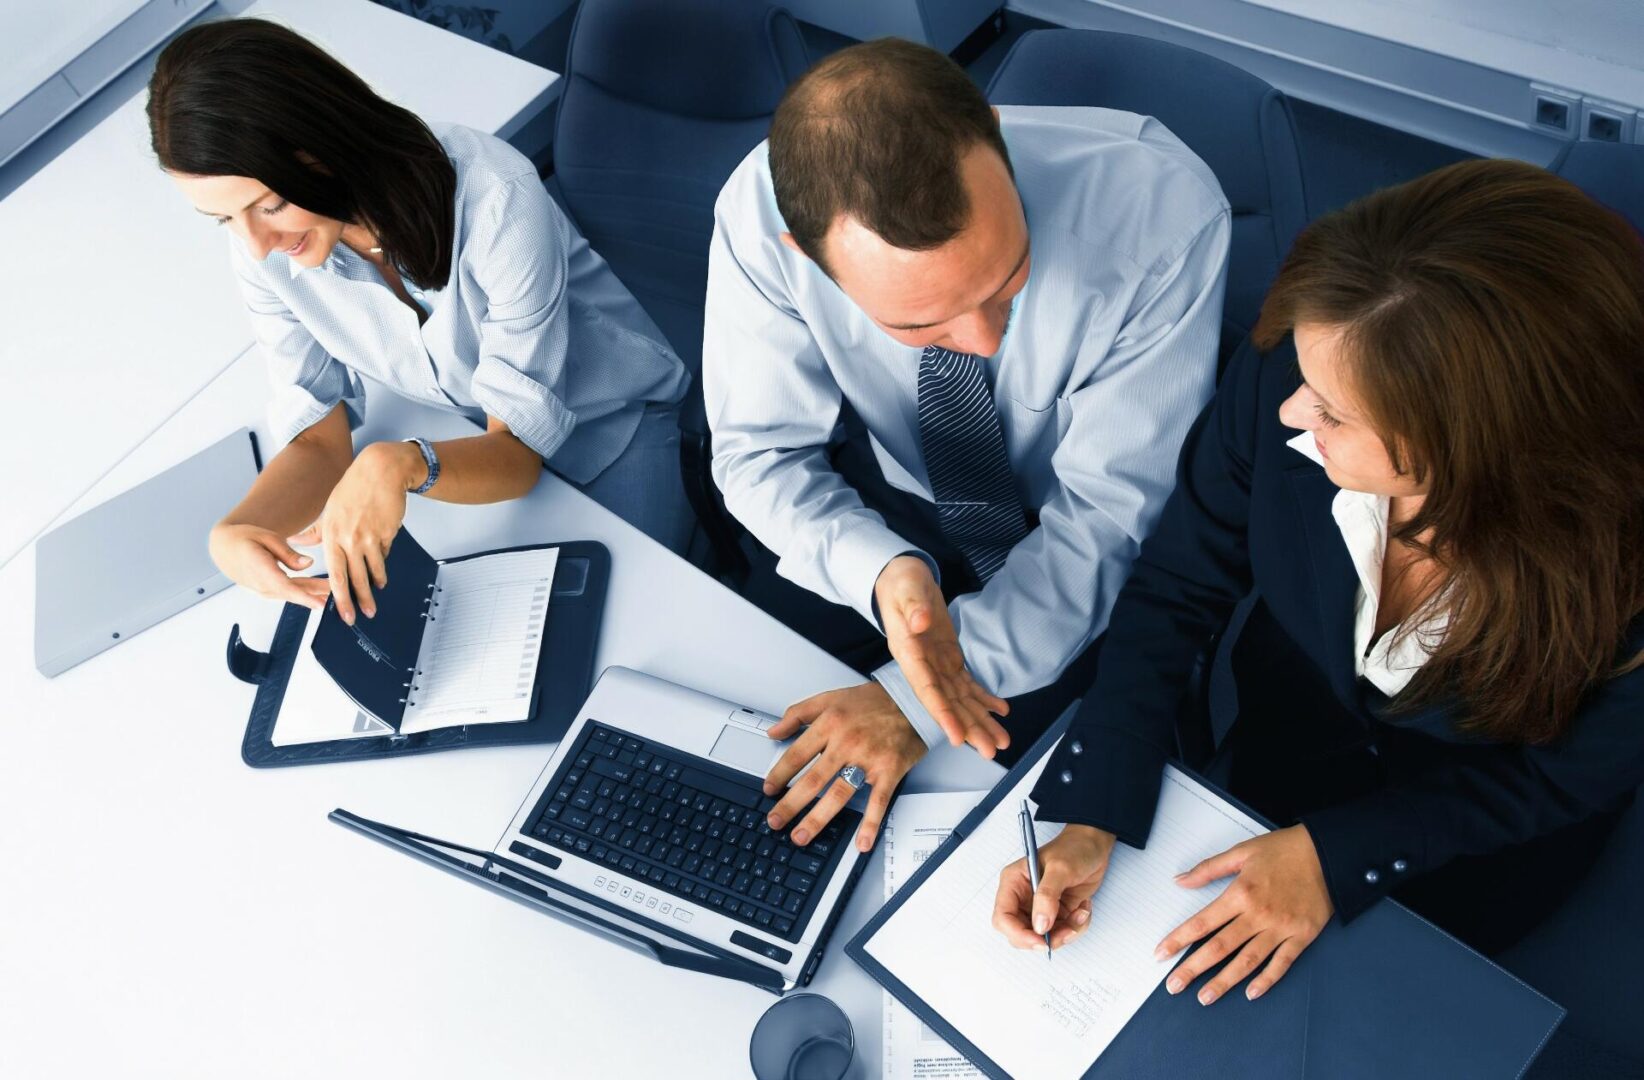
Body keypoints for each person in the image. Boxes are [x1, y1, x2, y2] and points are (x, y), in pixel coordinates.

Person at [992, 158, 1644, 1005]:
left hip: (1475, 843)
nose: (1295, 415)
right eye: (1306, 386)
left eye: (1334, 413)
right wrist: (1099, 802)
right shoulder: (1294, 370)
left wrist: (1334, 856)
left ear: (1480, 446)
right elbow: (1180, 580)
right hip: (1279, 752)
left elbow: (1565, 778)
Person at [702, 39, 1230, 854]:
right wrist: (880, 569)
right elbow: (758, 455)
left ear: (993, 133)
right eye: (918, 324)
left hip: (1071, 542)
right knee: (742, 754)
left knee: (1007, 844)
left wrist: (917, 703)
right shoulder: (757, 213)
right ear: (805, 254)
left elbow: (1106, 520)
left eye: (1006, 280)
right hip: (888, 513)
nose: (980, 342)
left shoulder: (1163, 214)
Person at [148, 20, 691, 623]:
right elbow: (318, 435)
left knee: (623, 625)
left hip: (609, 429)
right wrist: (242, 527)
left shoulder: (495, 196)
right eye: (223, 220)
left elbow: (515, 453)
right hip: (465, 436)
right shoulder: (270, 247)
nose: (254, 245)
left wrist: (401, 463)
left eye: (268, 205)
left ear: (321, 149)